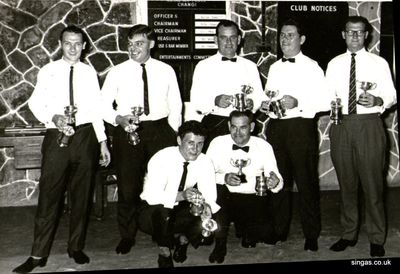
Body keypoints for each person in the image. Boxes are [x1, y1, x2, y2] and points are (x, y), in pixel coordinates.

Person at [13, 25, 111, 273]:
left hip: (85, 136)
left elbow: (97, 109)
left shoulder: (89, 73)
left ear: (84, 46)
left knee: (82, 196)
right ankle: (38, 255)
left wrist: (102, 142)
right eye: (68, 43)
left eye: (78, 43)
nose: (73, 48)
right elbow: (35, 103)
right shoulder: (48, 71)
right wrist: (53, 117)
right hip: (57, 136)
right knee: (49, 196)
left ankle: (75, 247)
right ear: (61, 44)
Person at [100, 24, 182, 255]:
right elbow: (103, 105)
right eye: (130, 44)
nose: (133, 48)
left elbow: (175, 104)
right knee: (128, 186)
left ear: (151, 44)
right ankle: (127, 235)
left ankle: (164, 231)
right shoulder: (117, 72)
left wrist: (174, 133)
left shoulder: (166, 70)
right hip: (128, 131)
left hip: (160, 130)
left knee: (165, 183)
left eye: (139, 43)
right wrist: (119, 119)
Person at [326, 16, 396, 257]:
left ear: (367, 35)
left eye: (359, 32)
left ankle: (377, 237)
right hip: (341, 125)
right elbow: (327, 94)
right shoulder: (334, 64)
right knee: (346, 185)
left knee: (373, 186)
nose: (355, 36)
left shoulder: (379, 63)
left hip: (369, 125)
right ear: (343, 35)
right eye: (350, 32)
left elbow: (392, 95)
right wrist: (332, 104)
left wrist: (378, 100)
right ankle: (349, 234)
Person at [261, 18, 330, 252]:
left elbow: (324, 101)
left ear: (301, 39)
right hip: (277, 128)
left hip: (301, 128)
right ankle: (279, 230)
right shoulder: (274, 67)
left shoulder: (312, 66)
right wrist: (266, 105)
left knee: (307, 183)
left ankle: (311, 234)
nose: (284, 39)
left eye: (290, 35)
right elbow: (270, 96)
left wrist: (298, 102)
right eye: (282, 35)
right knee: (277, 180)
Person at [137, 120, 220, 268]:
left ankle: (183, 240)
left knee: (206, 233)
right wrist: (182, 195)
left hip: (180, 209)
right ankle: (164, 251)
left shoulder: (206, 161)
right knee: (163, 213)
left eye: (200, 144)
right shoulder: (161, 158)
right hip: (152, 211)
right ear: (179, 140)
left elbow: (209, 195)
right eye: (190, 143)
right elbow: (152, 196)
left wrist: (206, 208)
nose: (195, 149)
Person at [206, 110, 283, 264]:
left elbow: (276, 178)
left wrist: (274, 183)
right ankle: (220, 245)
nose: (238, 132)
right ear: (228, 126)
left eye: (243, 127)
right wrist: (224, 178)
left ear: (252, 127)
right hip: (225, 197)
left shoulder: (264, 146)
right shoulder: (217, 143)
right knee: (220, 192)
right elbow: (204, 175)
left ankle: (246, 229)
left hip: (252, 198)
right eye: (234, 127)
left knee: (266, 235)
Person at [188, 19, 265, 151]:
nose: (229, 42)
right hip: (215, 124)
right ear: (216, 40)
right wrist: (215, 101)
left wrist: (253, 104)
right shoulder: (203, 66)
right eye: (224, 38)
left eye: (233, 38)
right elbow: (196, 102)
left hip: (243, 125)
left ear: (239, 39)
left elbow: (259, 97)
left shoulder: (251, 67)